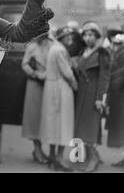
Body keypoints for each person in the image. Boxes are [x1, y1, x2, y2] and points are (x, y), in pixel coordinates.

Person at [39, 26, 78, 172]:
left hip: (52, 87)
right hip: (61, 88)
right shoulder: (60, 49)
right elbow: (67, 73)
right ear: (61, 37)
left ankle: (52, 156)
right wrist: (75, 85)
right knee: (63, 123)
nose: (70, 39)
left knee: (53, 123)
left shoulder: (54, 48)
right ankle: (60, 159)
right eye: (67, 36)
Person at [74, 21, 111, 172]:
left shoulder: (102, 52)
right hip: (81, 93)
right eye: (85, 35)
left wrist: (100, 98)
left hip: (93, 94)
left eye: (91, 35)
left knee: (90, 126)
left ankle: (93, 160)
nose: (88, 38)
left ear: (96, 36)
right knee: (81, 127)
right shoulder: (83, 52)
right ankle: (89, 156)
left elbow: (104, 76)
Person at [21, 32, 52, 164]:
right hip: (34, 85)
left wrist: (47, 74)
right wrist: (35, 74)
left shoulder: (53, 45)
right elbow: (25, 64)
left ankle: (42, 150)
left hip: (49, 84)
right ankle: (37, 149)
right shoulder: (32, 47)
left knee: (47, 118)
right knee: (34, 118)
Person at [106, 32, 124, 171]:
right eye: (114, 43)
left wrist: (112, 82)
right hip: (120, 96)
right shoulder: (118, 53)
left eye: (118, 43)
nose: (115, 45)